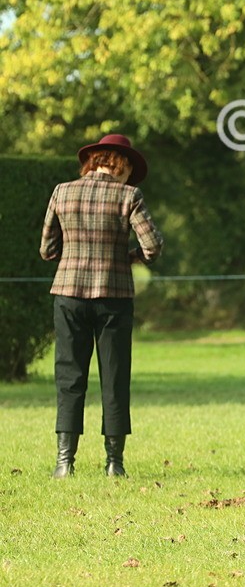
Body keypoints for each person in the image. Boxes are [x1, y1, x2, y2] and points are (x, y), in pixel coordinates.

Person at [40, 134, 164, 478]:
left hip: (68, 294)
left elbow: (47, 250)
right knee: (114, 377)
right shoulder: (129, 196)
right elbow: (153, 247)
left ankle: (64, 463)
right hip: (114, 297)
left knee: (69, 376)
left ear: (94, 161)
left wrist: (74, 257)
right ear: (121, 164)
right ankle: (115, 463)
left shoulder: (62, 192)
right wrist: (126, 258)